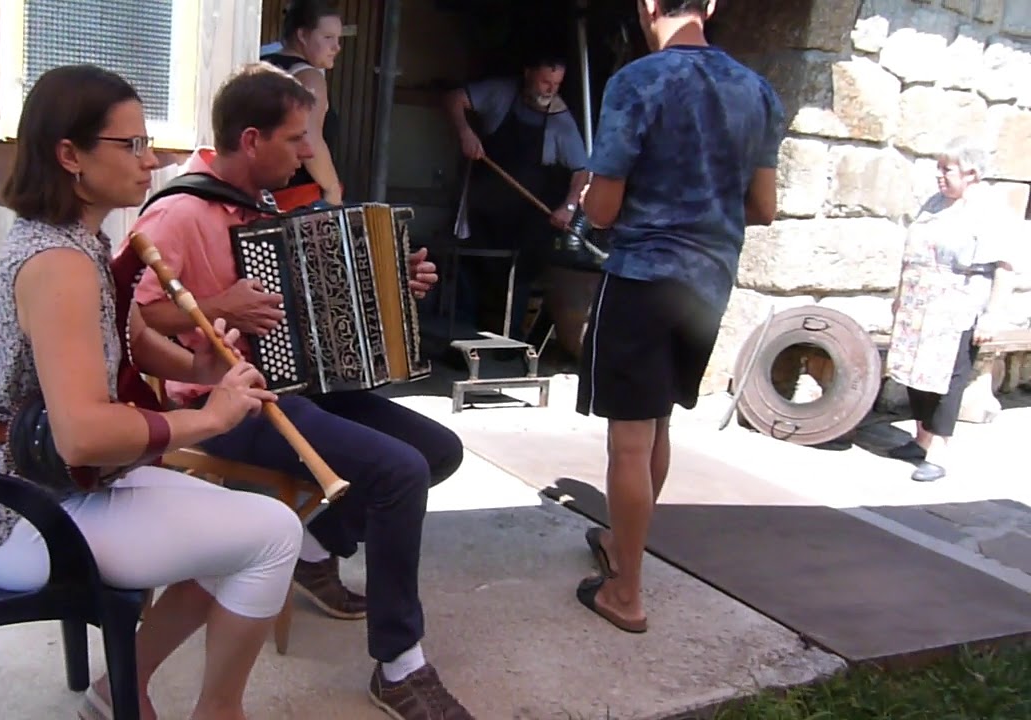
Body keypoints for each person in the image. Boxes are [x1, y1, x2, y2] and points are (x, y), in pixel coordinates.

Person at [0, 64, 304, 720]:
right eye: (131, 145)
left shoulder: (77, 244)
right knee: (274, 533)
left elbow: (128, 351)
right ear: (69, 156)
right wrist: (209, 420)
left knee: (238, 528)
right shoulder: (59, 264)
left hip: (56, 482)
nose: (154, 159)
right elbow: (82, 431)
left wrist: (206, 373)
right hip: (21, 512)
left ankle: (119, 690)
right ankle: (218, 710)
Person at [125, 62, 474, 719]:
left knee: (437, 450)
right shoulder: (177, 212)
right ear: (252, 140)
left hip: (294, 384)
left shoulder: (269, 206)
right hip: (221, 401)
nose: (309, 151)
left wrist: (395, 283)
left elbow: (322, 299)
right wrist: (216, 302)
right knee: (398, 473)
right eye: (295, 139)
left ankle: (314, 548)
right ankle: (399, 667)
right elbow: (129, 319)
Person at [572, 0, 785, 633]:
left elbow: (604, 211)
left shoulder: (637, 82)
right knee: (657, 425)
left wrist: (593, 196)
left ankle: (626, 593)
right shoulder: (758, 90)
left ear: (647, 6)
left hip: (642, 277)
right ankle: (621, 547)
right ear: (711, 5)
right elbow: (765, 206)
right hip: (707, 283)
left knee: (628, 441)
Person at [885, 137, 1019, 482]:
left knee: (947, 379)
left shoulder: (988, 211)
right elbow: (913, 251)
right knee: (915, 374)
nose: (940, 176)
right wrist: (901, 294)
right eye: (939, 169)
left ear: (972, 174)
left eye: (948, 169)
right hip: (918, 305)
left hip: (956, 307)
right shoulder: (935, 203)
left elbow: (1004, 267)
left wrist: (992, 315)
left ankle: (939, 451)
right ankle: (921, 437)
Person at [443, 50, 590, 341]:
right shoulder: (502, 93)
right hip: (484, 206)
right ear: (528, 73)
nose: (551, 90)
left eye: (557, 84)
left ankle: (508, 342)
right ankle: (462, 339)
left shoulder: (560, 119)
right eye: (546, 82)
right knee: (471, 267)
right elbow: (453, 98)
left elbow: (581, 172)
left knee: (519, 276)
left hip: (530, 216)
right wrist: (465, 133)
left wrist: (569, 207)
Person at [260, 0, 345, 211]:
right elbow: (310, 138)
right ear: (302, 35)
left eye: (338, 39)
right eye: (327, 38)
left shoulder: (259, 63)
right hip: (296, 199)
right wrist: (333, 190)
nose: (336, 47)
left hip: (255, 190)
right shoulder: (309, 77)